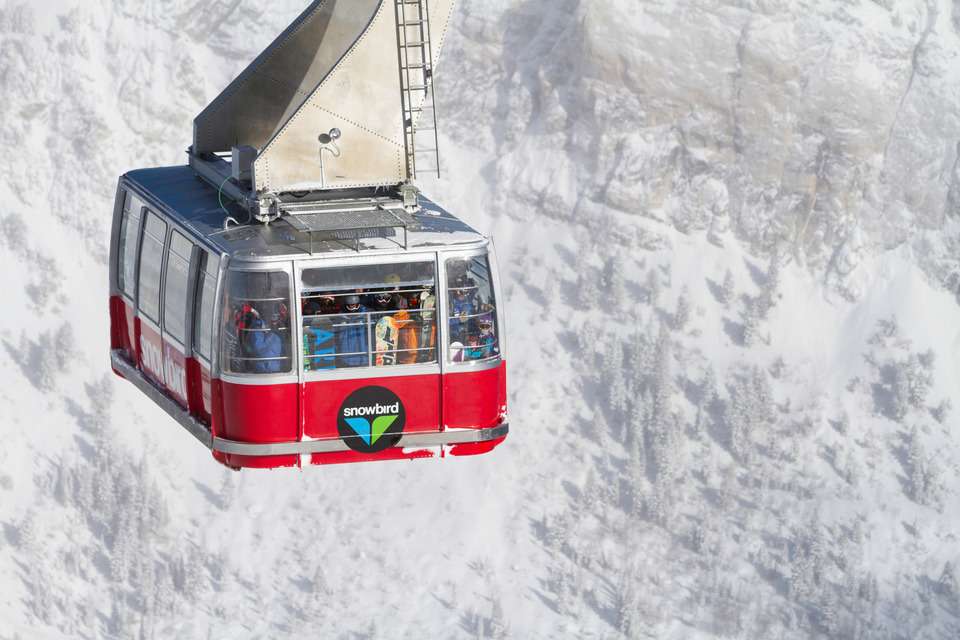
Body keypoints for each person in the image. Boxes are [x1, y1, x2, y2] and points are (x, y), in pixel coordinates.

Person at [239, 305, 286, 373]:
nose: (275, 320)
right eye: (273, 316)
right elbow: (258, 348)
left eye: (278, 317)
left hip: (276, 369)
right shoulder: (257, 328)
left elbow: (283, 350)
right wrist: (271, 334)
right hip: (262, 369)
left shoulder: (278, 329)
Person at [335, 294, 368, 367]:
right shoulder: (342, 315)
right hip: (347, 345)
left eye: (355, 305)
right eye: (351, 305)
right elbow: (337, 332)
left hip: (361, 342)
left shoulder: (365, 313)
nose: (353, 307)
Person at [449, 274, 476, 344]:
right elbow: (444, 320)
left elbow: (472, 321)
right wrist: (458, 319)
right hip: (451, 333)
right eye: (458, 289)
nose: (458, 292)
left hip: (463, 335)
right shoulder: (450, 301)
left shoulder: (468, 304)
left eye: (462, 291)